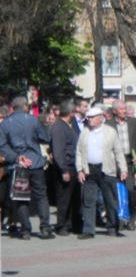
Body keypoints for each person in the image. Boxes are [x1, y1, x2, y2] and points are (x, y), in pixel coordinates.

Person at [0, 96, 54, 240]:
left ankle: (25, 230)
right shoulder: (33, 120)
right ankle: (45, 228)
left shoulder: (5, 124)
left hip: (17, 164)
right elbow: (45, 138)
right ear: (25, 106)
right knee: (41, 195)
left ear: (12, 107)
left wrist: (16, 157)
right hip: (35, 162)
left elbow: (2, 145)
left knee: (20, 197)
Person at [75, 107, 127, 238]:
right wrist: (80, 170)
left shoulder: (110, 132)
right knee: (88, 201)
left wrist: (123, 169)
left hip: (106, 170)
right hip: (89, 170)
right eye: (88, 118)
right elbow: (79, 152)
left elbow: (118, 151)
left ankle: (112, 227)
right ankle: (88, 230)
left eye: (91, 117)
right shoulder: (85, 132)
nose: (89, 120)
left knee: (110, 200)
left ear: (100, 118)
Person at [110, 100, 136, 230]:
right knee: (117, 192)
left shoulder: (134, 122)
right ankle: (119, 220)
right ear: (114, 111)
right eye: (121, 109)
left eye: (125, 108)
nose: (124, 111)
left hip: (131, 160)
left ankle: (131, 219)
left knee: (130, 191)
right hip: (115, 162)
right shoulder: (108, 125)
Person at [50, 99, 81, 235]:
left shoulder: (68, 125)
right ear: (70, 112)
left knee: (74, 198)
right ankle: (61, 225)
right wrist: (64, 170)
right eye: (74, 111)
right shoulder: (58, 127)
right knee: (64, 199)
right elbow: (58, 151)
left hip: (73, 166)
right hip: (66, 167)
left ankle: (72, 224)